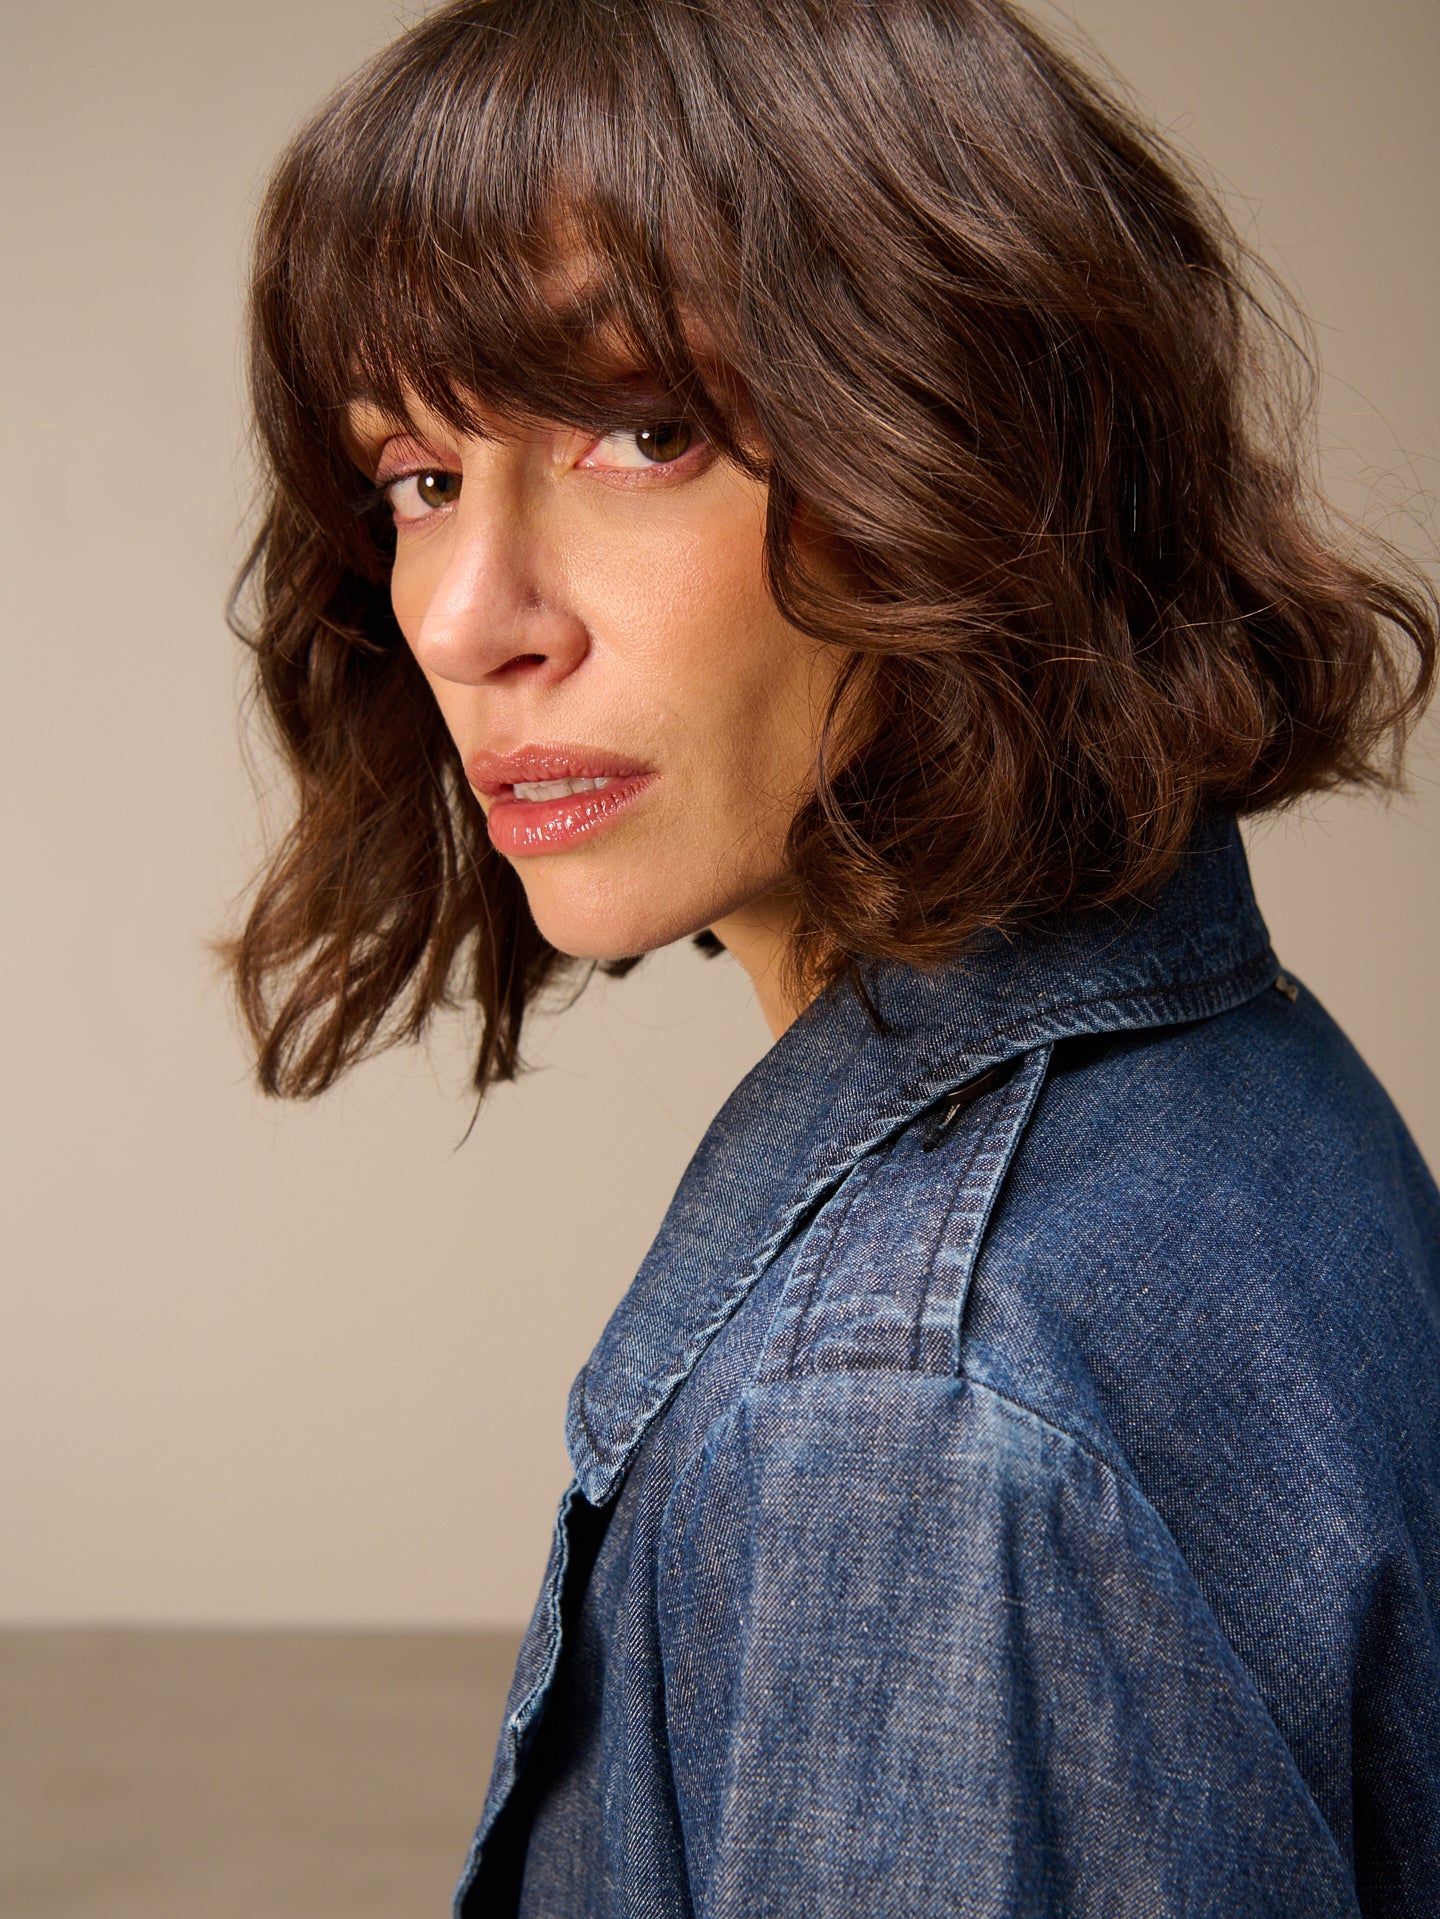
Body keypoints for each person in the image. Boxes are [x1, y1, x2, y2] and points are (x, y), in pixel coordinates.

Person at [226, 0, 1440, 1911]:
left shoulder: (898, 1426)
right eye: (420, 478)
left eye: (645, 432)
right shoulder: (1237, 1091)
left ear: (965, 438)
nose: (466, 618)